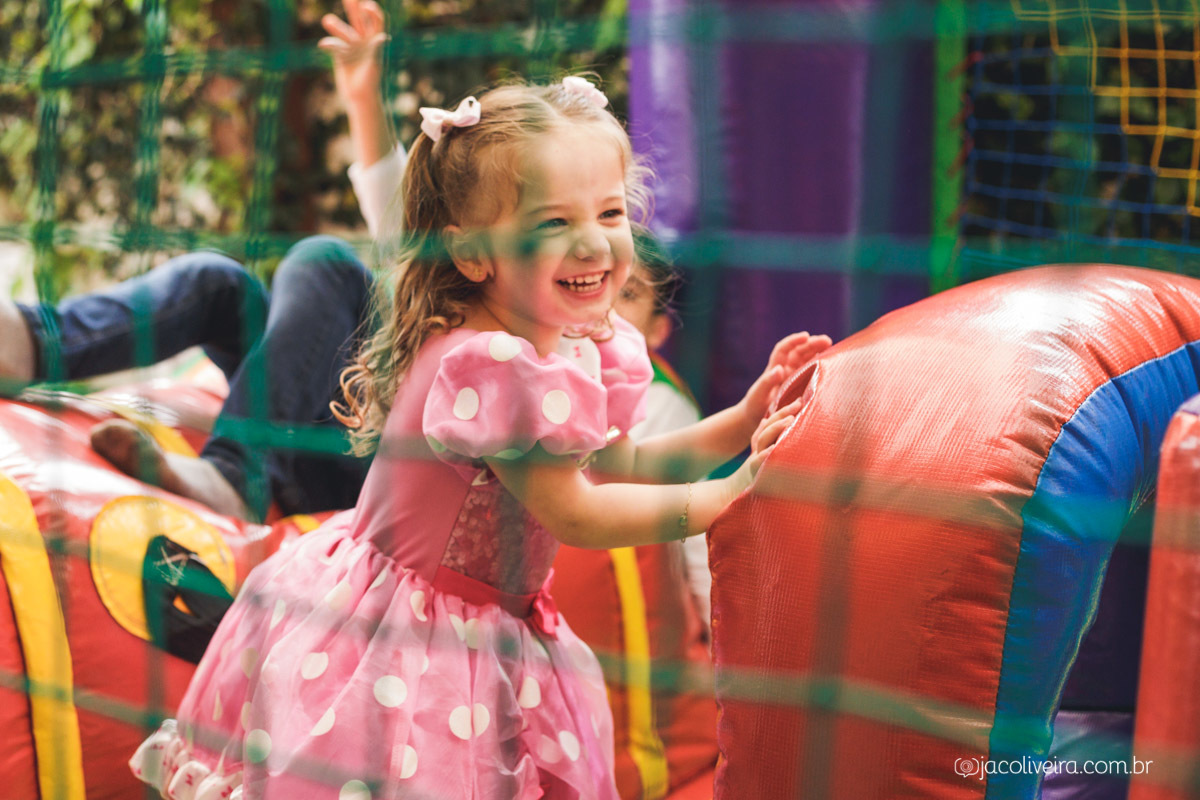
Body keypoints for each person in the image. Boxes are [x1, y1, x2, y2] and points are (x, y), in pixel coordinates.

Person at [129, 77, 828, 798]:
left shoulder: (576, 346)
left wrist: (741, 421)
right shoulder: (487, 362)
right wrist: (726, 498)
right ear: (473, 254)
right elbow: (577, 513)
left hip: (489, 628)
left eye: (610, 211)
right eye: (552, 223)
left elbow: (626, 461)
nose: (593, 241)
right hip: (405, 636)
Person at [0, 0, 402, 522]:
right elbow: (400, 216)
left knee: (323, 259)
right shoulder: (461, 254)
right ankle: (33, 342)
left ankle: (236, 474)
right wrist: (364, 95)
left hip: (360, 462)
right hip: (332, 402)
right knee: (219, 282)